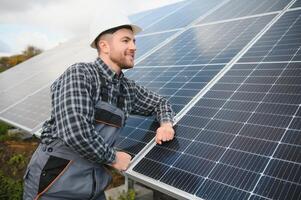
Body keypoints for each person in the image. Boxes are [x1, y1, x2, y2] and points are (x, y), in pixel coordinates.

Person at [23, 13, 175, 200]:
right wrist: (113, 157)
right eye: (126, 41)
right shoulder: (80, 74)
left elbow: (161, 102)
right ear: (104, 46)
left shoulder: (126, 89)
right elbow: (75, 131)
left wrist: (166, 124)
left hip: (93, 188)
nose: (134, 47)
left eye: (134, 41)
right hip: (55, 185)